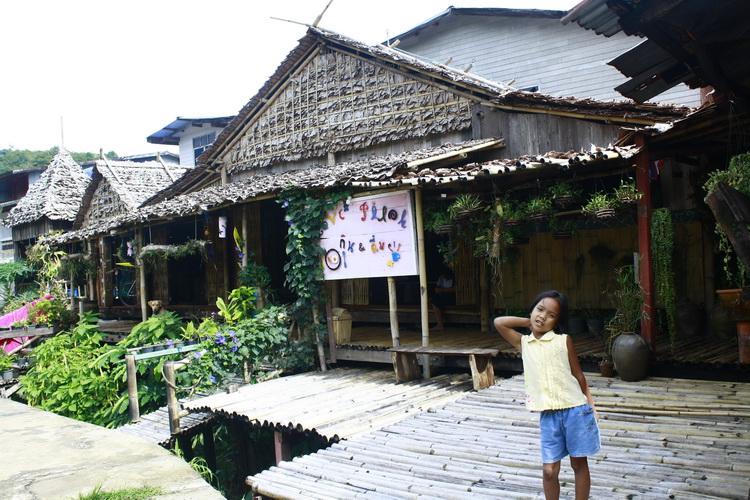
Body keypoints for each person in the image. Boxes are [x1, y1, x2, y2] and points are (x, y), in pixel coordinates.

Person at [493, 291, 600, 500]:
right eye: (540, 309)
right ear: (532, 309)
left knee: (579, 463)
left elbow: (579, 376)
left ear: (557, 321)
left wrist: (592, 406)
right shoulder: (524, 343)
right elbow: (499, 322)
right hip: (549, 416)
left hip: (576, 410)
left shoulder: (563, 341)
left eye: (551, 315)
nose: (543, 316)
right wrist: (531, 322)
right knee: (549, 471)